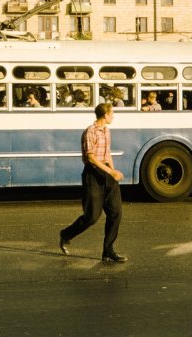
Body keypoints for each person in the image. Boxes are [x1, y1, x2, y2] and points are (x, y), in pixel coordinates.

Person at [59, 103, 127, 263]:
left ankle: (108, 251)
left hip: (107, 173)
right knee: (92, 217)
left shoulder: (106, 131)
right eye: (112, 114)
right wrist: (110, 171)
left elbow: (107, 153)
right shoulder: (90, 131)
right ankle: (66, 234)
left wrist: (113, 171)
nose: (113, 117)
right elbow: (91, 157)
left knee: (116, 213)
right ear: (105, 115)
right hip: (93, 175)